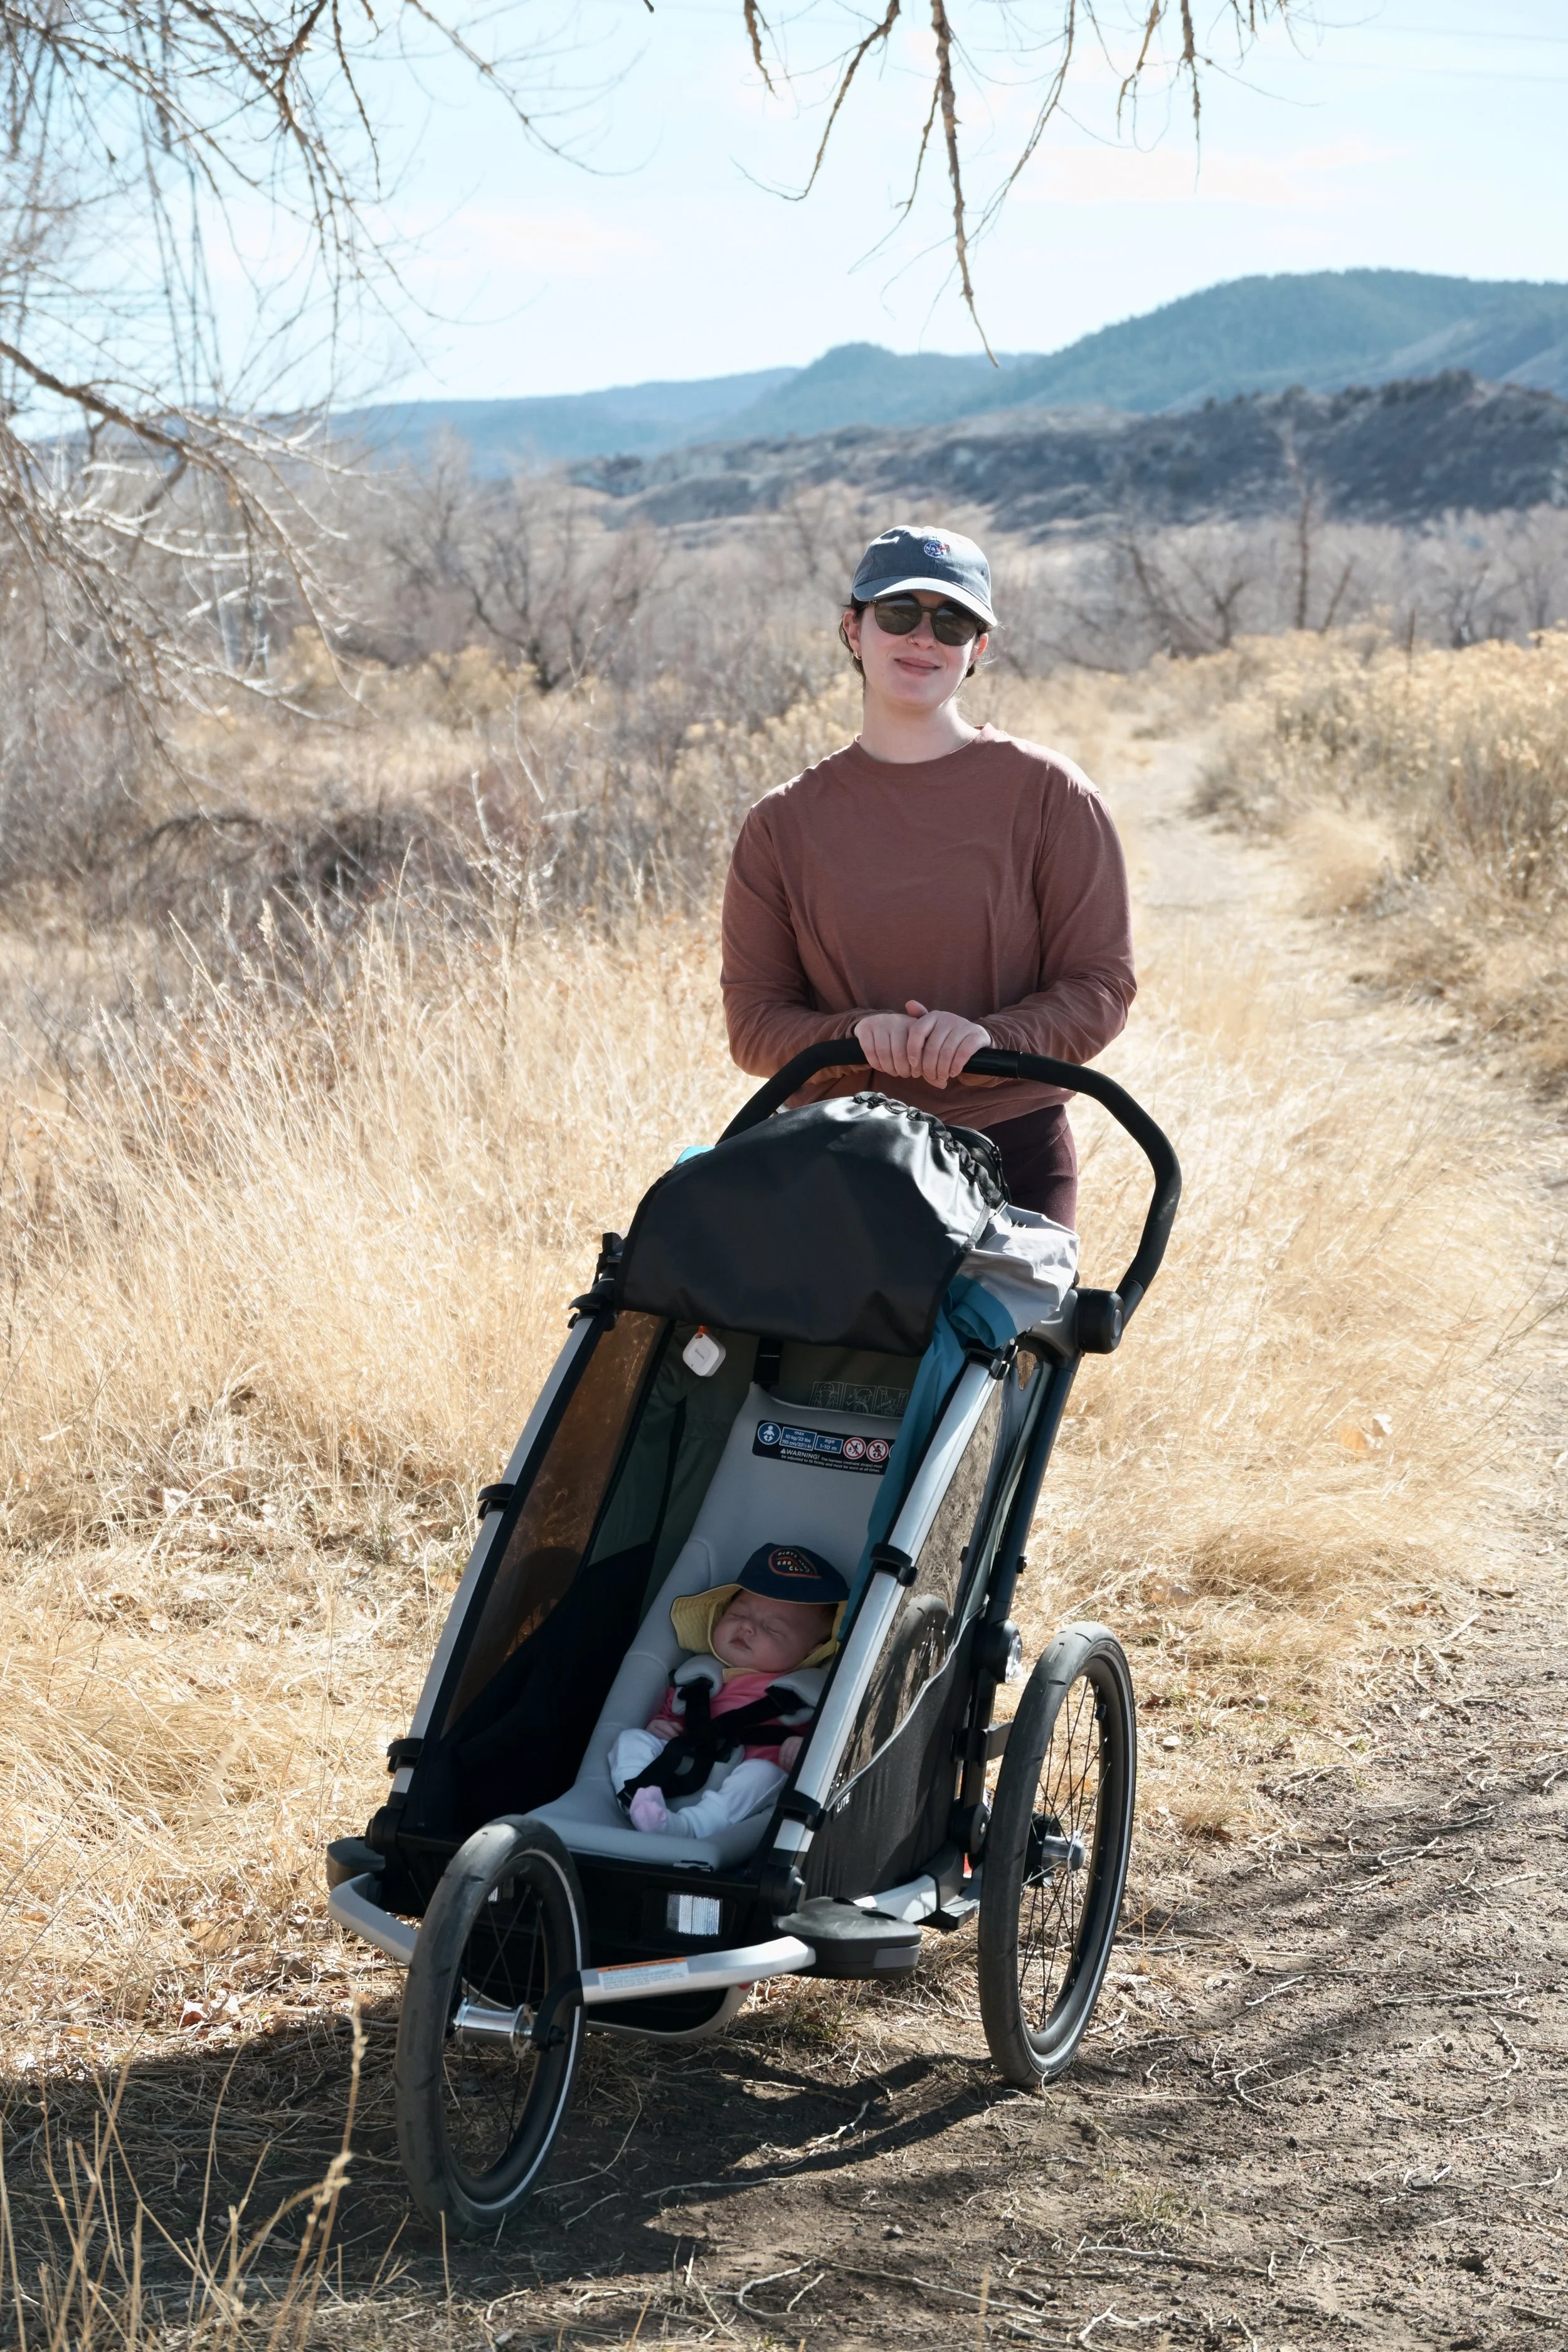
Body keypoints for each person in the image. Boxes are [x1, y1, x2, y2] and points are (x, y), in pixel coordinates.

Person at [720, 526, 1136, 1229]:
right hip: (837, 1157)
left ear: (978, 648)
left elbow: (1101, 986)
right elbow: (754, 1026)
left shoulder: (1050, 795)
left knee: (1002, 1345)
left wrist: (987, 1042)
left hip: (1013, 1151)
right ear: (853, 629)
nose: (924, 637)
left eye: (951, 620)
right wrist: (857, 1034)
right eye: (898, 613)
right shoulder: (781, 823)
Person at [609, 1544, 846, 1839]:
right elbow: (673, 1714)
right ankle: (636, 1796)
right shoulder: (699, 1679)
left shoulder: (803, 1696)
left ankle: (689, 1828)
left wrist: (805, 1750)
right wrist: (660, 1727)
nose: (747, 1626)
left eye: (773, 1628)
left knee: (763, 1777)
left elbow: (833, 1740)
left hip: (749, 1772)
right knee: (631, 1739)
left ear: (811, 1652)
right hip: (687, 1761)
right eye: (737, 1615)